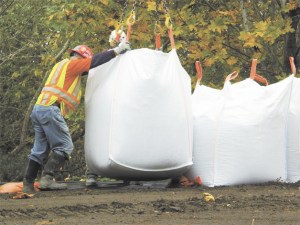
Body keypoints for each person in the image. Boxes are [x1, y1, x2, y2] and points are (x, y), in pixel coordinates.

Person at [22, 41, 131, 193]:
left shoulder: (60, 65)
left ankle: (27, 184)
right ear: (81, 57)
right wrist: (117, 50)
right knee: (65, 146)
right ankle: (46, 179)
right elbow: (95, 61)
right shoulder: (73, 65)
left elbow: (91, 66)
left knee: (39, 149)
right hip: (50, 109)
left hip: (39, 109)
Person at [85, 29, 128, 187]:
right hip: (104, 104)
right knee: (98, 135)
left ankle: (125, 173)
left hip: (119, 106)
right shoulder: (105, 59)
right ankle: (91, 173)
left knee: (121, 136)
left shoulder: (128, 60)